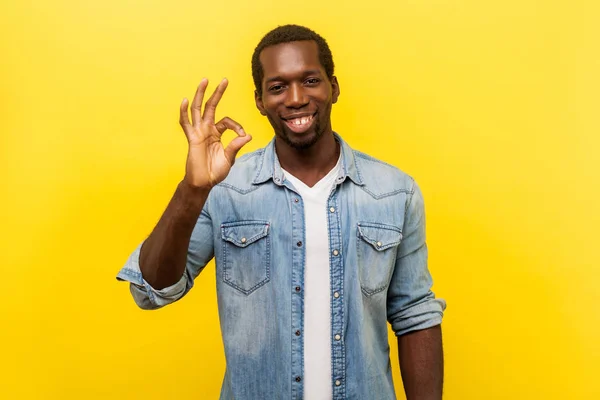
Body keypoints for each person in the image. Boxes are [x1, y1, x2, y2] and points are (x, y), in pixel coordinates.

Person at [117, 24, 446, 400]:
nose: (295, 98)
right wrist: (193, 190)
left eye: (309, 80)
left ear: (333, 88)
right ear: (259, 101)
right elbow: (151, 290)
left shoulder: (394, 191)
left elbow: (415, 316)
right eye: (277, 87)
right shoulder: (225, 189)